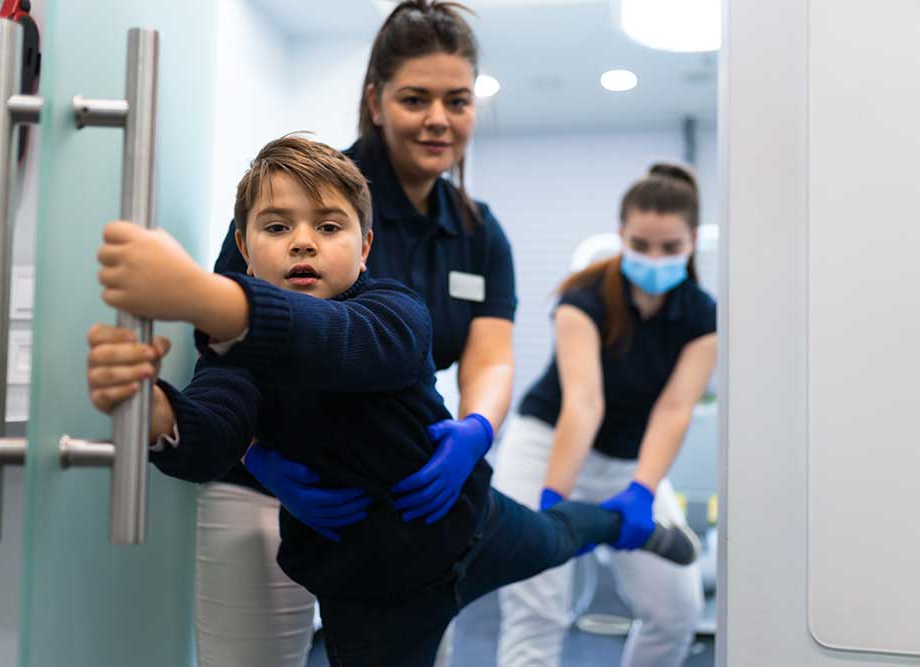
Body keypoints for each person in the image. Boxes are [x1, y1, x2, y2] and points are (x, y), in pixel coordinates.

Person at [85, 136, 698, 667]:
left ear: (365, 246)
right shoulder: (235, 357)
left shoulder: (394, 311)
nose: (303, 242)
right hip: (373, 591)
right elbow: (211, 432)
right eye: (277, 227)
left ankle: (625, 524)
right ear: (242, 249)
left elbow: (341, 343)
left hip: (475, 525)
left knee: (559, 534)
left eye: (328, 227)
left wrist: (204, 296)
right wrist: (156, 413)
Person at [208, 2, 516, 664]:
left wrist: (475, 433)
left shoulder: (478, 231)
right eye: (416, 98)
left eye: (457, 100)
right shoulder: (303, 199)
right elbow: (220, 348)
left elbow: (490, 359)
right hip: (267, 482)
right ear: (375, 101)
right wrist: (259, 456)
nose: (439, 118)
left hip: (402, 489)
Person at [493, 164, 718, 667]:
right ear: (621, 235)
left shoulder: (703, 316)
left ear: (692, 241)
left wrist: (642, 490)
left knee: (676, 611)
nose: (654, 258)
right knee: (537, 609)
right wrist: (553, 502)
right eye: (640, 244)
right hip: (548, 448)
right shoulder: (584, 299)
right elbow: (584, 403)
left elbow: (675, 408)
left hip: (631, 459)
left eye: (669, 247)